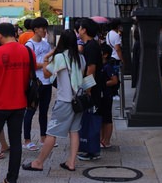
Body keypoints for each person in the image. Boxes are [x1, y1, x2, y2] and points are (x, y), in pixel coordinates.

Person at [22, 29, 86, 172]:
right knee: (74, 131)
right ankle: (71, 162)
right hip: (78, 101)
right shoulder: (81, 58)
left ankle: (38, 162)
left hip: (64, 101)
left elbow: (46, 73)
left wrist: (46, 58)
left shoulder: (61, 57)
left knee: (52, 133)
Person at [0, 23, 31, 183]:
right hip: (19, 104)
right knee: (16, 142)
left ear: (0, 36)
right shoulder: (27, 51)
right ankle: (11, 178)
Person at [23, 17, 52, 151]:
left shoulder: (46, 44)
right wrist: (44, 64)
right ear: (35, 30)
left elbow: (49, 60)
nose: (44, 31)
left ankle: (43, 137)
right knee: (31, 110)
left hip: (47, 81)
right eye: (42, 28)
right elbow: (30, 65)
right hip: (35, 83)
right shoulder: (29, 45)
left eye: (45, 28)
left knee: (44, 111)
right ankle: (27, 139)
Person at [77, 17, 104, 161]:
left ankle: (92, 150)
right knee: (88, 118)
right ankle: (89, 148)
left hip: (92, 88)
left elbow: (91, 69)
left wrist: (87, 89)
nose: (79, 30)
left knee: (91, 118)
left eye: (80, 28)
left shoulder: (91, 46)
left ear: (84, 30)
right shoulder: (89, 45)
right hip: (93, 86)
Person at [99, 43, 118, 149]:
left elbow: (114, 81)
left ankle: (106, 140)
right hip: (102, 95)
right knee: (103, 118)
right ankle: (102, 139)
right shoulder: (102, 65)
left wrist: (102, 83)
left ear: (105, 54)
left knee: (107, 118)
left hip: (107, 95)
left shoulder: (108, 67)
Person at [106, 19, 123, 99]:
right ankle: (115, 93)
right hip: (116, 58)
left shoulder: (108, 34)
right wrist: (122, 59)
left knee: (111, 76)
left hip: (110, 57)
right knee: (116, 76)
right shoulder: (116, 35)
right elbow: (118, 49)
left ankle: (113, 92)